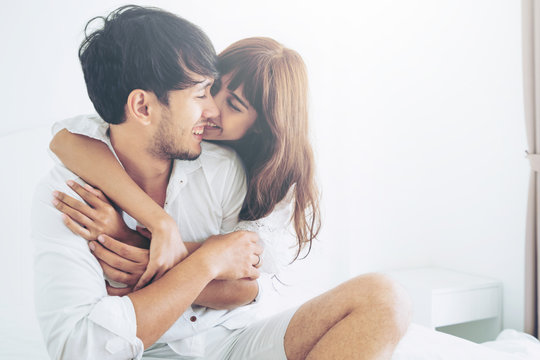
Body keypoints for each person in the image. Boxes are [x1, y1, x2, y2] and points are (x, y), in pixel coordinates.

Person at [34, 5, 410, 360]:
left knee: (384, 297)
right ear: (143, 108)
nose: (211, 109)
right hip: (149, 348)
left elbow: (248, 287)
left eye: (230, 103)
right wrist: (206, 255)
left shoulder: (233, 170)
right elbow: (63, 139)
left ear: (263, 125)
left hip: (229, 341)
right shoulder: (75, 191)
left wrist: (140, 244)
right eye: (204, 92)